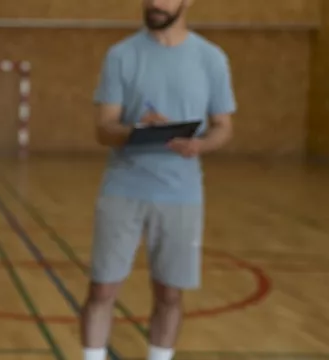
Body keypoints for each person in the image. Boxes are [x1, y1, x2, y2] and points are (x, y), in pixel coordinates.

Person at [81, 0, 236, 360]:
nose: (154, 2)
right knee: (102, 290)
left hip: (182, 194)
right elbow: (104, 129)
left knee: (170, 294)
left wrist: (199, 144)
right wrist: (136, 130)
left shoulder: (211, 58)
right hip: (123, 189)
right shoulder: (120, 55)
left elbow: (224, 126)